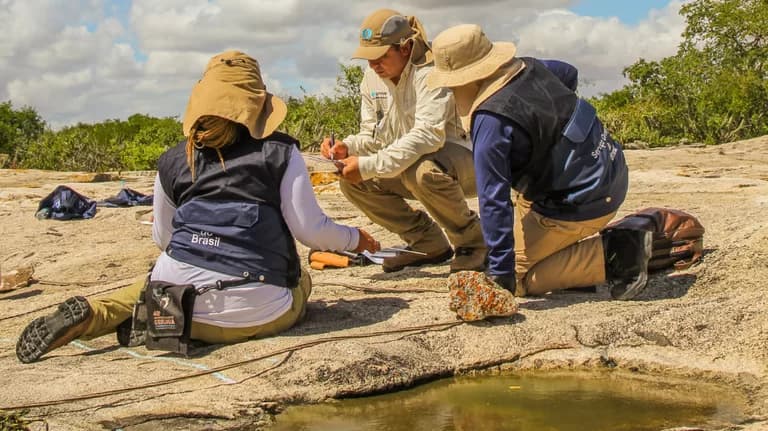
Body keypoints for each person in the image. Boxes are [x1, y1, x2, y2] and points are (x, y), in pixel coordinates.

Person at [16, 50, 381, 364]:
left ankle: (110, 315)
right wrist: (355, 239)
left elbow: (164, 238)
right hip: (256, 306)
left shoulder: (173, 159)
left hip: (172, 291)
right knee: (301, 281)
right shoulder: (280, 152)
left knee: (155, 284)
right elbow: (310, 231)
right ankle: (162, 322)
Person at [425, 25, 653, 300]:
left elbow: (493, 199)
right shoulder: (532, 67)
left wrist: (501, 272)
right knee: (519, 235)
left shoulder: (491, 122)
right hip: (611, 169)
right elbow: (569, 73)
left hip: (581, 203)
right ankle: (569, 252)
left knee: (521, 280)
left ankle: (618, 253)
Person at [320, 9, 486, 274]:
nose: (374, 65)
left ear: (406, 48)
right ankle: (426, 242)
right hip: (412, 163)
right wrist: (347, 147)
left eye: (381, 56)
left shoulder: (432, 70)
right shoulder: (371, 77)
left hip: (465, 166)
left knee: (421, 170)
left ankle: (474, 244)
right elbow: (372, 135)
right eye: (369, 58)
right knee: (352, 183)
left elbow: (428, 136)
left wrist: (367, 165)